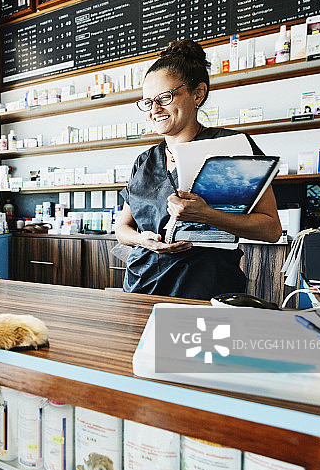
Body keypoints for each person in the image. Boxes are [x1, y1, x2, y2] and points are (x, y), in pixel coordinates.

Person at [114, 39, 282, 300]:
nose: (154, 109)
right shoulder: (145, 160)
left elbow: (271, 230)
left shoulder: (231, 147)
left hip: (206, 288)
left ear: (198, 94)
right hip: (141, 287)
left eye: (165, 97)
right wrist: (142, 241)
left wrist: (207, 215)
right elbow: (122, 228)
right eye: (147, 102)